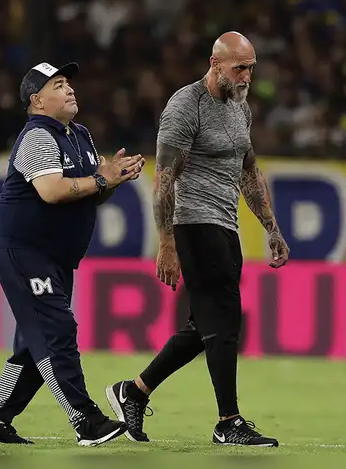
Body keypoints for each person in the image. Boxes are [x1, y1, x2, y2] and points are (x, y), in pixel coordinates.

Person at [104, 32, 290, 447]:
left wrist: (272, 228)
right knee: (223, 321)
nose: (246, 77)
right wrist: (166, 243)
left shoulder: (241, 109)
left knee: (205, 325)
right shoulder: (185, 106)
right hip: (192, 223)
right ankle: (229, 420)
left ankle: (133, 390)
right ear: (215, 63)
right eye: (239, 68)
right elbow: (164, 180)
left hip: (226, 226)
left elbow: (248, 172)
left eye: (251, 68)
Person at [0, 61, 146, 447]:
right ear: (37, 101)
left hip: (55, 255)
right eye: (59, 85)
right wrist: (101, 177)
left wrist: (113, 177)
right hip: (23, 249)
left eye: (69, 84)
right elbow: (52, 190)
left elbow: (93, 192)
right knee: (56, 330)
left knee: (35, 343)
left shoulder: (79, 134)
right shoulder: (36, 136)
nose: (70, 90)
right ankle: (86, 420)